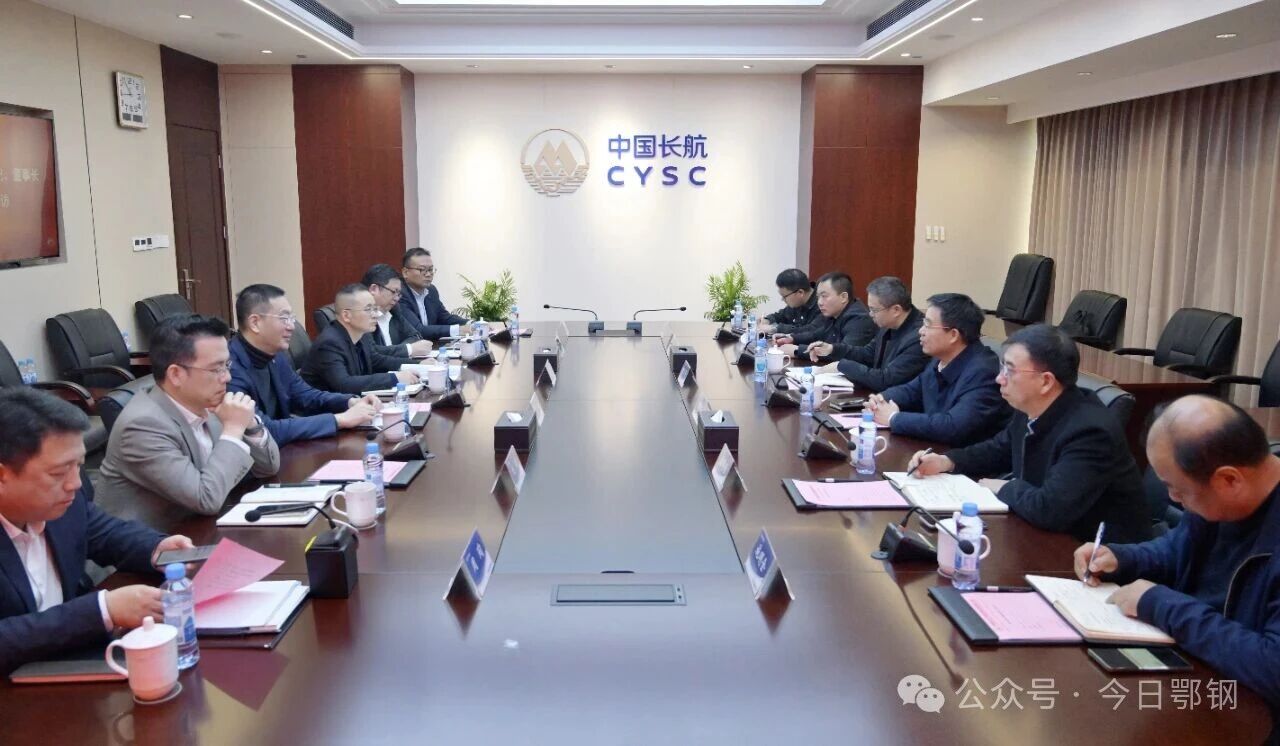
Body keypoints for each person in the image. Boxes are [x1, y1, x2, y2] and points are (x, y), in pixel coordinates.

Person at [1075, 395, 1280, 718]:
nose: (1172, 499)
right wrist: (1121, 558)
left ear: (1229, 480)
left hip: (1250, 711)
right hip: (1197, 668)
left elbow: (1272, 667)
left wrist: (1160, 603)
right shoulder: (1219, 499)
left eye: (1178, 490)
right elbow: (1175, 551)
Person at [0, 387, 195, 674]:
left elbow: (102, 532)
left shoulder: (63, 500)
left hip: (73, 663)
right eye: (58, 473)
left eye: (78, 466)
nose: (75, 483)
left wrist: (157, 549)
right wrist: (101, 610)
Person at [909, 323, 1151, 543]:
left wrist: (1005, 488)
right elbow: (999, 449)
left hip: (1093, 555)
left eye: (1010, 370)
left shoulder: (1090, 432)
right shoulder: (1031, 407)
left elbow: (1051, 509)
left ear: (1046, 381)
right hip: (1042, 536)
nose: (999, 378)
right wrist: (947, 461)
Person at [98, 315, 281, 523]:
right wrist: (233, 429)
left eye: (226, 365)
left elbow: (268, 467)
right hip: (158, 539)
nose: (227, 377)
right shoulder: (142, 426)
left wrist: (250, 425)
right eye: (216, 369)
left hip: (202, 526)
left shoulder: (205, 402)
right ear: (176, 374)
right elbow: (206, 499)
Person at [228, 284, 380, 446]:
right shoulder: (229, 370)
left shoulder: (275, 354)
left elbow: (305, 395)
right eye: (284, 318)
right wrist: (339, 420)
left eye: (292, 318)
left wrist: (349, 402)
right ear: (255, 323)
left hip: (284, 450)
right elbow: (264, 430)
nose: (291, 326)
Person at [867, 293, 1008, 445]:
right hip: (935, 449)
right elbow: (912, 390)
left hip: (963, 456)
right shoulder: (940, 359)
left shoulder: (984, 371)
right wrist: (880, 399)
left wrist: (893, 418)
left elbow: (953, 426)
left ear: (953, 335)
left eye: (927, 325)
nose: (920, 331)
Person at [805, 276, 927, 392]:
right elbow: (868, 354)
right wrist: (832, 349)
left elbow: (886, 380)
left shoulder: (919, 337)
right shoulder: (888, 323)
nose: (870, 314)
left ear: (896, 310)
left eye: (874, 310)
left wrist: (841, 365)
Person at [302, 284, 421, 395]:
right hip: (328, 408)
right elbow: (344, 384)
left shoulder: (362, 334)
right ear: (346, 315)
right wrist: (394, 378)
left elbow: (377, 361)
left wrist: (419, 365)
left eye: (375, 308)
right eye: (368, 309)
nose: (376, 315)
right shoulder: (329, 343)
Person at [772, 272, 875, 360]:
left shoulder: (859, 319)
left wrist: (797, 350)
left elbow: (844, 354)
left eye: (824, 296)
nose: (819, 302)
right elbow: (817, 334)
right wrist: (792, 338)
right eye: (818, 297)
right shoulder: (833, 314)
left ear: (843, 297)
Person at [362, 263, 433, 358]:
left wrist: (402, 350)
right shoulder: (360, 315)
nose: (396, 298)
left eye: (399, 294)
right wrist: (408, 349)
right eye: (394, 292)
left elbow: (415, 336)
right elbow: (372, 352)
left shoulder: (394, 310)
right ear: (374, 289)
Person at [397, 248, 470, 340]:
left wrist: (471, 324)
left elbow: (444, 318)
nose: (428, 274)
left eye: (431, 269)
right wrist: (459, 330)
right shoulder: (398, 294)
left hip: (430, 346)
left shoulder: (431, 290)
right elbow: (418, 329)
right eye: (422, 269)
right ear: (405, 272)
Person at [758, 269, 819, 336]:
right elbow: (781, 316)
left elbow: (810, 330)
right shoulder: (797, 303)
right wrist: (767, 320)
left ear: (800, 292)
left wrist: (775, 328)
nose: (782, 299)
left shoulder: (821, 305)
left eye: (784, 296)